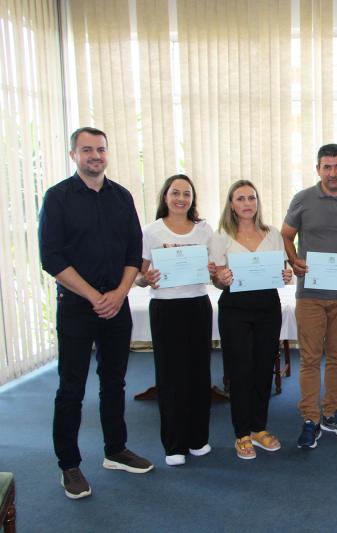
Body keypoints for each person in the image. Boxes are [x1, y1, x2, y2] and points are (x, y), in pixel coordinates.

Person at [39, 127, 154, 500]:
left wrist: (119, 293)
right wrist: (94, 296)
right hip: (76, 306)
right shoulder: (57, 198)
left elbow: (133, 250)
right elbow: (51, 257)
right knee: (71, 387)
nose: (95, 156)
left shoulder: (121, 196)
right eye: (87, 149)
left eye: (101, 149)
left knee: (114, 382)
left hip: (116, 305)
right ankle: (69, 465)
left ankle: (115, 450)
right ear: (73, 154)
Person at [281, 144, 337, 449]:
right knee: (309, 358)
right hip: (310, 295)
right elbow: (286, 235)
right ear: (318, 169)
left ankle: (331, 412)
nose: (333, 173)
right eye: (327, 167)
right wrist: (293, 260)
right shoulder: (303, 199)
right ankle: (310, 418)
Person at [210, 180, 293, 460]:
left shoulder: (271, 234)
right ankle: (241, 433)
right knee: (240, 370)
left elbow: (280, 270)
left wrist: (286, 276)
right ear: (231, 204)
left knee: (262, 369)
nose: (247, 203)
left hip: (268, 307)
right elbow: (217, 279)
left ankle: (259, 428)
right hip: (235, 309)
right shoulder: (221, 236)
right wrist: (220, 278)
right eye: (240, 198)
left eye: (252, 198)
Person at [137, 174, 214, 467]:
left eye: (187, 193)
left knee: (198, 374)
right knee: (171, 377)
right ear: (165, 196)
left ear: (193, 198)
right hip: (166, 309)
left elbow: (216, 269)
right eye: (175, 193)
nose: (181, 198)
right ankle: (174, 444)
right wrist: (148, 278)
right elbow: (139, 276)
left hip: (197, 305)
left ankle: (198, 439)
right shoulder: (151, 231)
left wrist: (211, 269)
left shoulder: (204, 230)